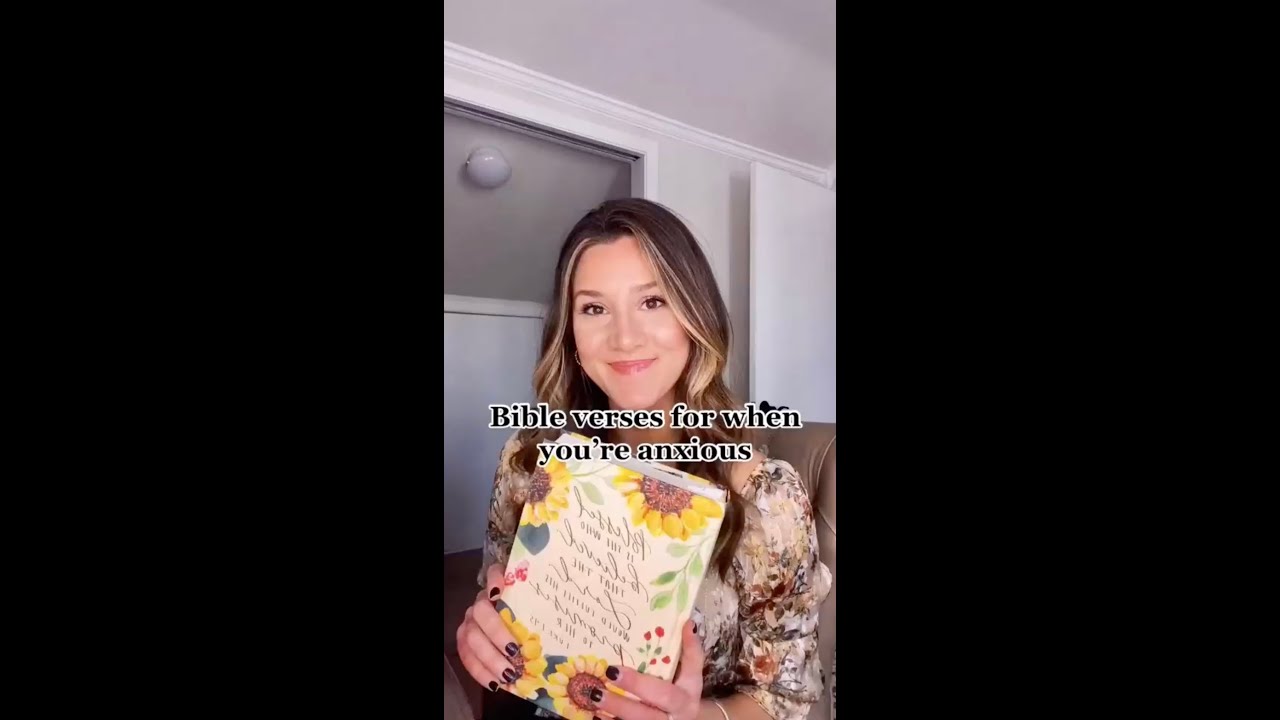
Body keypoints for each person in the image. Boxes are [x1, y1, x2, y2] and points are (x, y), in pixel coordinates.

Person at [453, 198, 832, 720]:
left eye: (653, 301)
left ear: (695, 317)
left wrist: (697, 716)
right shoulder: (528, 461)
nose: (625, 338)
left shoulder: (766, 500)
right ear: (570, 333)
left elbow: (785, 695)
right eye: (594, 308)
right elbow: (494, 597)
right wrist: (484, 629)